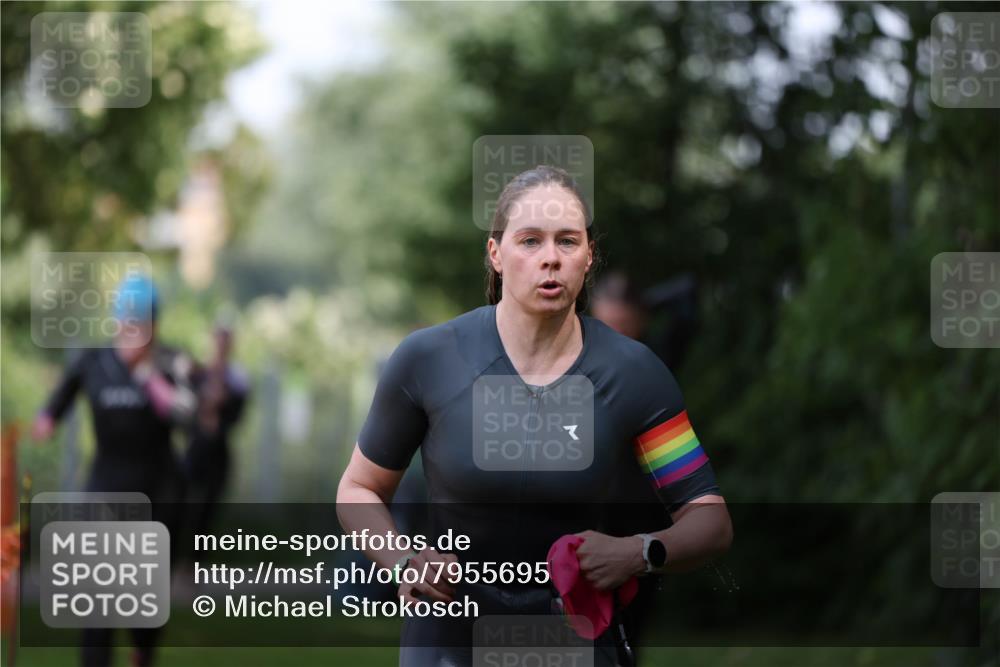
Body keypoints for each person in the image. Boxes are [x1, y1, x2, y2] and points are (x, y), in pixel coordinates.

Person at [337, 166, 733, 666]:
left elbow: (709, 519)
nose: (550, 258)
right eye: (530, 241)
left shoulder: (633, 372)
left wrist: (639, 551)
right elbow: (358, 490)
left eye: (567, 242)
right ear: (496, 254)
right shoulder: (429, 359)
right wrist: (402, 560)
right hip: (448, 640)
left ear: (589, 257)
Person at [31, 274, 195, 667]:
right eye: (128, 320)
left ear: (156, 324)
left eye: (143, 322)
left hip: (158, 491)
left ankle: (142, 649)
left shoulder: (173, 362)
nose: (134, 329)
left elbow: (187, 417)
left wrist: (149, 376)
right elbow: (58, 401)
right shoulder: (95, 359)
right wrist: (45, 421)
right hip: (105, 487)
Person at [183, 321, 249, 540]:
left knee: (207, 509)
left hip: (218, 451)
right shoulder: (197, 374)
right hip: (195, 448)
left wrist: (222, 404)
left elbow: (237, 417)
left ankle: (194, 561)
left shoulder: (236, 381)